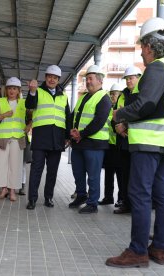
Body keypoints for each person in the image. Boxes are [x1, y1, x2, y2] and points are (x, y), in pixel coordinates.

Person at [106, 17, 164, 267]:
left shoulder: (158, 67)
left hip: (149, 142)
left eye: (142, 47)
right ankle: (159, 249)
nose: (141, 52)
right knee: (162, 195)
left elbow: (146, 104)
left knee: (139, 194)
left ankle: (138, 251)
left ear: (150, 47)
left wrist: (120, 114)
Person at [25, 65, 71, 210]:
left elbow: (67, 117)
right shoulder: (37, 91)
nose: (52, 79)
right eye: (50, 76)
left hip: (57, 138)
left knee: (52, 171)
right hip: (41, 137)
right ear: (45, 78)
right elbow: (29, 105)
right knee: (36, 169)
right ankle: (32, 199)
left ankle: (48, 197)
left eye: (55, 77)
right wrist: (31, 92)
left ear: (58, 80)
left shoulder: (64, 96)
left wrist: (67, 136)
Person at [68, 64, 111, 214]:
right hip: (79, 143)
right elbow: (74, 116)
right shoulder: (84, 97)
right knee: (78, 172)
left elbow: (99, 121)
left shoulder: (104, 98)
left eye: (90, 79)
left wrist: (81, 134)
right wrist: (71, 133)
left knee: (93, 176)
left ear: (99, 81)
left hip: (94, 144)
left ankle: (92, 203)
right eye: (86, 79)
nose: (87, 82)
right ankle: (81, 196)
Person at [0, 77, 30, 201]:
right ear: (6, 90)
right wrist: (3, 115)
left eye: (14, 88)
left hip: (17, 138)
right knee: (1, 164)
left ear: (18, 91)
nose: (12, 91)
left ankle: (12, 191)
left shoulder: (24, 103)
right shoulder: (0, 102)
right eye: (9, 89)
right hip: (2, 138)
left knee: (15, 165)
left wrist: (29, 125)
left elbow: (34, 116)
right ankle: (4, 189)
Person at [112, 66, 142, 214]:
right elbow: (114, 115)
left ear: (139, 78)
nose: (129, 81)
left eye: (131, 78)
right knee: (123, 175)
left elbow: (142, 114)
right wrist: (118, 128)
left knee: (136, 177)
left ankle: (136, 206)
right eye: (127, 78)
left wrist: (125, 126)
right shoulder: (122, 96)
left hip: (138, 141)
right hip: (123, 142)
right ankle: (125, 203)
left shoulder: (143, 93)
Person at [100, 83, 124, 206]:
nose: (112, 96)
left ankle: (121, 198)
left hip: (118, 147)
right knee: (108, 174)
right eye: (111, 94)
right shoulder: (109, 107)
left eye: (114, 93)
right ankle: (108, 197)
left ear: (120, 94)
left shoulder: (121, 107)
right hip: (109, 146)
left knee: (120, 174)